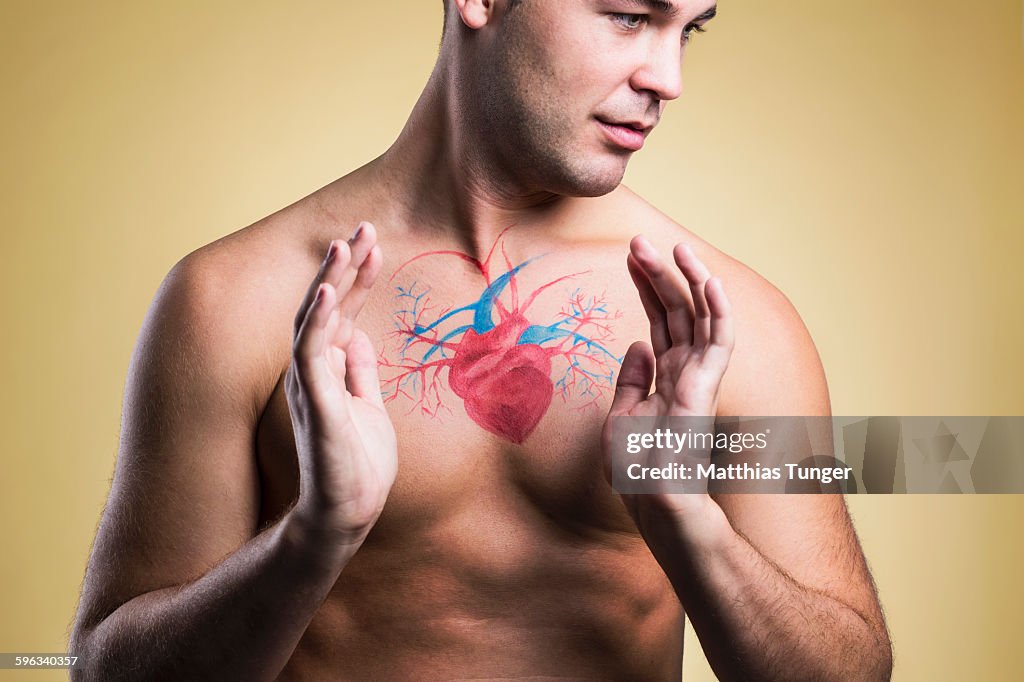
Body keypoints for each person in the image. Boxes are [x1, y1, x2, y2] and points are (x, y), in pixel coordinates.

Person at [70, 1, 892, 679]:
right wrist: (313, 537)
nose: (667, 79)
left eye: (691, 30)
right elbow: (108, 669)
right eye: (629, 16)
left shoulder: (724, 323)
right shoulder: (238, 300)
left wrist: (689, 523)